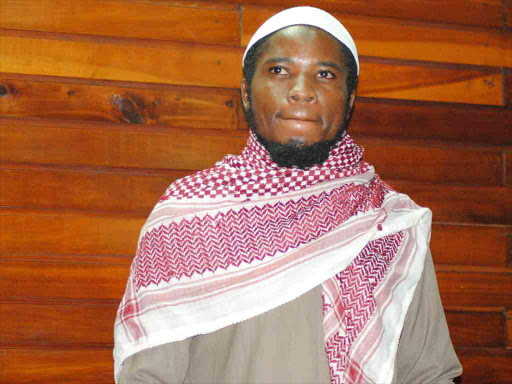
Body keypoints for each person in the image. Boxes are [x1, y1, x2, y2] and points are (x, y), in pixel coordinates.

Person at [114, 7, 462, 384]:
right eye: (279, 71)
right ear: (246, 94)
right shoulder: (184, 220)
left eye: (325, 75)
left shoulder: (388, 224)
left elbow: (429, 374)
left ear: (349, 100)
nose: (302, 91)